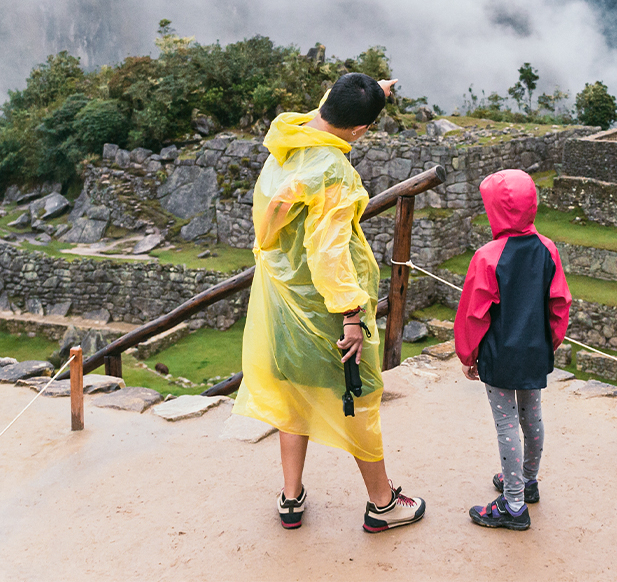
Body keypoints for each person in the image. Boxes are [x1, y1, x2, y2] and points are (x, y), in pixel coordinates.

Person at [234, 72, 426, 534]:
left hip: (283, 299)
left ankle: (291, 496)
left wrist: (371, 92)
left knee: (292, 391)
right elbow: (328, 254)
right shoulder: (333, 172)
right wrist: (351, 316)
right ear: (358, 131)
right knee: (358, 395)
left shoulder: (287, 139)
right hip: (322, 307)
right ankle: (382, 504)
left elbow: (331, 107)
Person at [454, 168, 572, 531]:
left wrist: (468, 354)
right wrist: (548, 345)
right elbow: (559, 304)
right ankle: (528, 481)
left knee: (506, 422)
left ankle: (514, 504)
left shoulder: (488, 256)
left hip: (500, 354)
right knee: (531, 418)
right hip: (534, 351)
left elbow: (474, 312)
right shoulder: (548, 249)